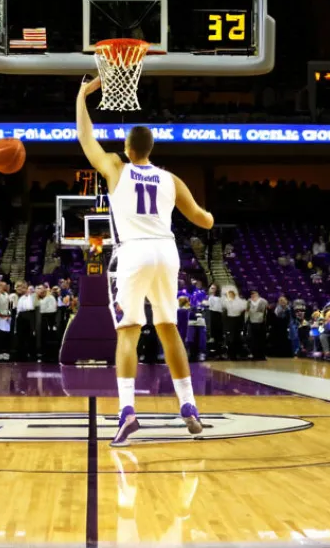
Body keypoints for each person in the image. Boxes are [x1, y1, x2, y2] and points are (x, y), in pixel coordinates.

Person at [76, 75, 214, 447]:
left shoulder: (116, 168)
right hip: (166, 252)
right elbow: (203, 220)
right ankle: (188, 406)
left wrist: (82, 96)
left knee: (128, 332)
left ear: (127, 147)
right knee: (169, 329)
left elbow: (85, 138)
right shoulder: (170, 179)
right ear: (151, 149)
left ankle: (127, 413)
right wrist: (209, 215)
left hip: (133, 252)